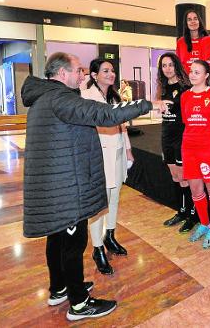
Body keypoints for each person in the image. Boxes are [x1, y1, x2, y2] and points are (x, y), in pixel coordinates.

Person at [21, 52, 169, 321]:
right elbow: (103, 114)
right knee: (73, 242)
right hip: (67, 187)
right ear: (63, 74)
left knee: (57, 239)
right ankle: (79, 303)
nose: (82, 75)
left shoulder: (44, 97)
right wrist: (148, 104)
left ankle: (60, 288)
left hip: (56, 185)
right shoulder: (61, 98)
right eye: (78, 70)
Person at [81, 59, 132, 275]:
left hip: (118, 152)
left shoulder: (114, 96)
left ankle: (109, 236)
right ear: (94, 75)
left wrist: (128, 149)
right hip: (99, 156)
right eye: (105, 71)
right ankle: (97, 248)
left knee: (114, 197)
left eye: (112, 70)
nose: (111, 74)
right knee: (99, 204)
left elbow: (122, 127)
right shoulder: (86, 97)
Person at [181, 59, 210, 248]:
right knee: (196, 190)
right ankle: (204, 223)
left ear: (207, 76)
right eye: (191, 71)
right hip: (189, 149)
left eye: (197, 72)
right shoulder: (185, 96)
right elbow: (187, 122)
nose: (192, 75)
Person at [157, 53, 198, 233]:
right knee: (175, 177)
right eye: (164, 66)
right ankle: (181, 212)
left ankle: (192, 215)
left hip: (182, 138)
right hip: (166, 136)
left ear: (177, 66)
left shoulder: (186, 87)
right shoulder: (162, 88)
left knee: (184, 178)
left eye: (171, 65)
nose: (167, 69)